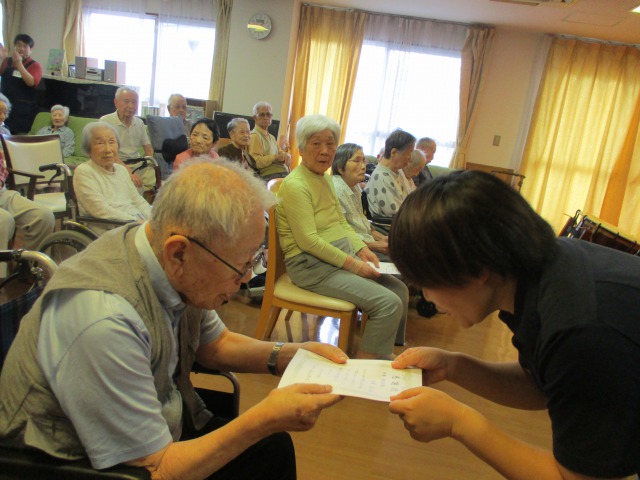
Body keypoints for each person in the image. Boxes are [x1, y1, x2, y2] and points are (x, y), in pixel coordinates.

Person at [0, 158, 347, 479]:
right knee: (266, 442)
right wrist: (265, 418)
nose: (245, 280)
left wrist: (289, 356)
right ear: (179, 252)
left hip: (161, 424)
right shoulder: (103, 319)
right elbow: (157, 468)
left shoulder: (167, 254)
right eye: (241, 266)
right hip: (81, 465)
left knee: (273, 450)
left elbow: (216, 344)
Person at [388, 170, 640, 479]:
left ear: (477, 270)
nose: (427, 297)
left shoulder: (580, 329)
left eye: (427, 283)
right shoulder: (545, 271)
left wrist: (459, 422)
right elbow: (542, 386)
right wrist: (451, 366)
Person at [276, 114, 409, 357]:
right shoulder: (296, 185)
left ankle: (386, 352)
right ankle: (369, 364)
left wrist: (361, 249)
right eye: (316, 143)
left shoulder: (325, 180)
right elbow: (308, 241)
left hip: (334, 256)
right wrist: (354, 265)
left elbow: (340, 222)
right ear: (301, 148)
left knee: (399, 290)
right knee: (388, 303)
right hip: (310, 265)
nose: (325, 150)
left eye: (330, 144)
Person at [0, 93, 54, 263]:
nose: (2, 117)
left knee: (43, 216)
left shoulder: (4, 132)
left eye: (4, 113)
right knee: (4, 220)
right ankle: (2, 275)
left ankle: (30, 267)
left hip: (2, 192)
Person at [73, 122, 151, 223]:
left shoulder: (121, 170)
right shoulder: (84, 171)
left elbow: (138, 200)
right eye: (100, 143)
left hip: (137, 222)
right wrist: (137, 221)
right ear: (88, 150)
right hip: (112, 226)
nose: (108, 150)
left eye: (112, 142)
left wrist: (153, 219)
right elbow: (100, 210)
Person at [331, 143, 390, 261]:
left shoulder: (355, 186)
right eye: (357, 161)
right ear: (340, 167)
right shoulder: (336, 190)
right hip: (354, 248)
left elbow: (361, 221)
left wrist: (381, 238)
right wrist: (374, 245)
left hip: (366, 238)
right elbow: (340, 234)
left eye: (363, 161)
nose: (363, 166)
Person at [100, 87, 154, 194]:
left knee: (159, 182)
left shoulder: (139, 123)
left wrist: (149, 163)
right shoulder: (106, 121)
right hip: (115, 163)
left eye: (134, 102)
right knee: (132, 184)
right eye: (126, 101)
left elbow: (148, 149)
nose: (131, 106)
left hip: (137, 164)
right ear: (116, 103)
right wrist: (129, 172)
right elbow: (109, 153)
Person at [364, 129, 415, 222]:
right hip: (389, 225)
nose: (410, 158)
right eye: (409, 152)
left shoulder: (398, 172)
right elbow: (396, 213)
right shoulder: (381, 177)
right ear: (394, 152)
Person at [0, 34, 42, 134]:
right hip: (3, 106)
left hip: (21, 111)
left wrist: (19, 64)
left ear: (31, 49)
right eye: (19, 45)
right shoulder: (6, 61)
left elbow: (31, 82)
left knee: (16, 137)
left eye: (25, 46)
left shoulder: (35, 65)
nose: (21, 48)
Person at [249, 101, 290, 181]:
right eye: (262, 115)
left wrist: (286, 156)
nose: (266, 117)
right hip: (268, 177)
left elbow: (280, 153)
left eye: (268, 114)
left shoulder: (272, 137)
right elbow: (256, 162)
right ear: (254, 118)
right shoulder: (255, 136)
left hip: (279, 174)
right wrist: (275, 157)